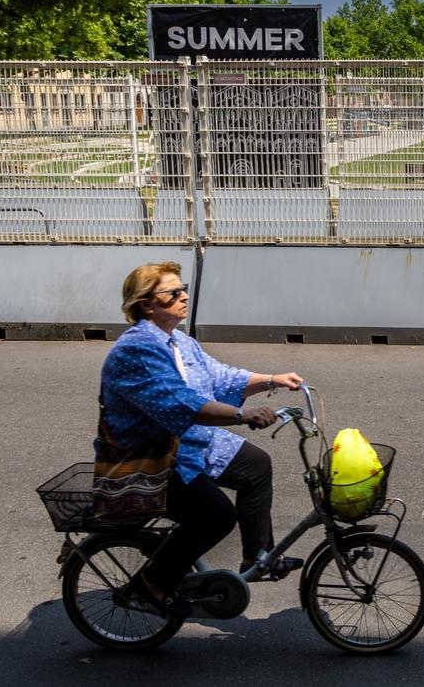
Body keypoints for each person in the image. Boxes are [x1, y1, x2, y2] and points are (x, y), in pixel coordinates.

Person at [99, 260, 304, 617]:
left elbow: (222, 377)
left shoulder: (179, 341)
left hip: (190, 443)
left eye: (184, 289)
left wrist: (272, 379)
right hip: (152, 457)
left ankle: (257, 557)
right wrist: (242, 415)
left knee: (256, 466)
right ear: (147, 304)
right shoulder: (136, 350)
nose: (184, 296)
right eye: (173, 292)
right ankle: (152, 583)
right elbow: (183, 404)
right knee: (215, 516)